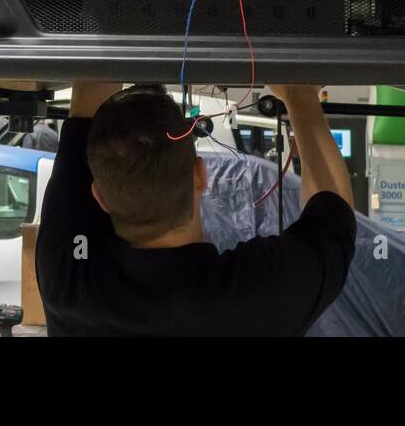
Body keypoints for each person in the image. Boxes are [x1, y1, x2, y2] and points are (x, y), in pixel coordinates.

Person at [34, 82, 356, 336]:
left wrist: (300, 94)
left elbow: (336, 215)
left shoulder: (70, 280)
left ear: (100, 197)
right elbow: (332, 213)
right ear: (201, 175)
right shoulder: (65, 279)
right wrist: (298, 95)